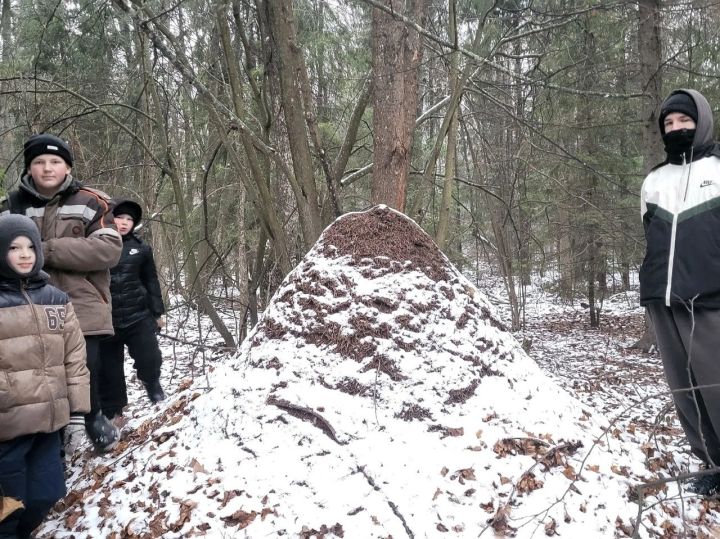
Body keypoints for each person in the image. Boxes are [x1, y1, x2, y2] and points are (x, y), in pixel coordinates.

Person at [0, 133, 122, 452]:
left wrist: (47, 250)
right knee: (42, 372)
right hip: (26, 306)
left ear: (67, 167)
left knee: (86, 366)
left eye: (55, 161)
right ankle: (52, 436)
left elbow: (108, 249)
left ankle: (93, 417)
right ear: (30, 167)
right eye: (39, 162)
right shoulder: (12, 206)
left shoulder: (92, 201)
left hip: (84, 302)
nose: (48, 168)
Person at [640, 89, 720, 496]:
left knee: (715, 384)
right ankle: (710, 463)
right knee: (684, 389)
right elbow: (651, 236)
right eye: (669, 123)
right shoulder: (654, 180)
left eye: (683, 121)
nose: (676, 129)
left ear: (700, 122)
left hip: (709, 299)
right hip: (662, 300)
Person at [0, 214, 90, 538]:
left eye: (30, 246)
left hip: (49, 423)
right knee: (8, 507)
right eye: (13, 247)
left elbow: (74, 357)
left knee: (46, 495)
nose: (24, 254)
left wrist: (77, 414)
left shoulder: (56, 298)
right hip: (8, 426)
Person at [99, 199, 166, 421]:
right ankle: (114, 412)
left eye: (130, 219)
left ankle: (152, 383)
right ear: (110, 219)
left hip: (138, 316)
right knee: (109, 371)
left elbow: (151, 281)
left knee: (150, 357)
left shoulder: (141, 248)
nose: (124, 223)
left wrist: (157, 313)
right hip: (105, 320)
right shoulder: (96, 245)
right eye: (120, 217)